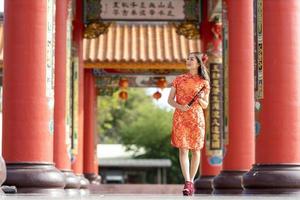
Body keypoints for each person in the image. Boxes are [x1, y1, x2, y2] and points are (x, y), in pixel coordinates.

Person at [168, 52, 210, 196]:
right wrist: (180, 107)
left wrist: (199, 99)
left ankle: (191, 180)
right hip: (180, 117)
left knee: (196, 150)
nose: (188, 61)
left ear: (198, 63)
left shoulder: (204, 83)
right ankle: (187, 181)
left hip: (196, 118)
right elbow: (170, 100)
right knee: (183, 149)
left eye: (191, 59)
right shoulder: (179, 79)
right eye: (188, 59)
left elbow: (205, 105)